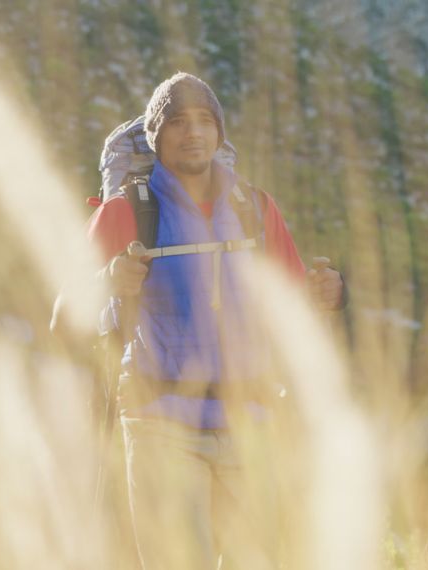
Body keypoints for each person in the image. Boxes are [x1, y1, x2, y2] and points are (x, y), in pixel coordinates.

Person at [85, 72, 344, 569]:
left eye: (205, 120)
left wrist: (330, 294)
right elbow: (63, 311)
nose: (193, 132)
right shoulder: (128, 211)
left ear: (220, 133)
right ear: (156, 137)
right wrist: (107, 280)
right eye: (177, 122)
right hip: (161, 423)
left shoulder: (254, 208)